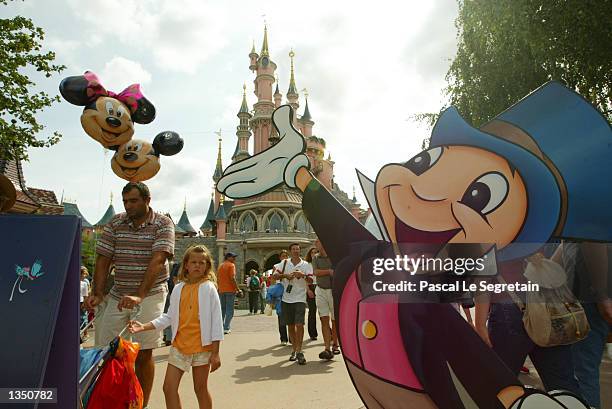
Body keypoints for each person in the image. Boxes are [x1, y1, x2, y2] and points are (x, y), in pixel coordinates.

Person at [84, 182, 175, 409]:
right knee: (107, 350)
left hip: (151, 293)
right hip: (118, 292)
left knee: (144, 351)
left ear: (147, 200)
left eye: (133, 200)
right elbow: (104, 259)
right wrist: (97, 292)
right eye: (125, 201)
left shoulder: (163, 224)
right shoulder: (116, 222)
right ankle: (111, 400)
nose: (128, 205)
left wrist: (139, 295)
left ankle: (140, 403)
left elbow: (158, 261)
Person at [129, 245, 223, 409]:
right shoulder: (179, 288)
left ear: (207, 266)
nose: (197, 266)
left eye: (202, 263)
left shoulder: (209, 288)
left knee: (200, 389)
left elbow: (216, 323)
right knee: (168, 388)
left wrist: (215, 353)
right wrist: (143, 326)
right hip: (180, 346)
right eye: (193, 262)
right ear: (186, 265)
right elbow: (169, 317)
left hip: (203, 347)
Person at [273, 243, 312, 365]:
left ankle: (300, 351)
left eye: (298, 249)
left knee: (299, 325)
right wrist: (285, 275)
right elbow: (274, 276)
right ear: (290, 251)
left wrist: (303, 275)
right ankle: (294, 350)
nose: (296, 251)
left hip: (300, 298)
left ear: (300, 251)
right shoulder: (284, 263)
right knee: (290, 325)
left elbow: (311, 280)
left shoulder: (305, 265)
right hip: (286, 298)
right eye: (294, 249)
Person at [312, 239, 339, 360]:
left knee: (334, 320)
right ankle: (327, 348)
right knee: (324, 319)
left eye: (318, 242)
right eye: (316, 242)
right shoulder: (315, 258)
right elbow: (316, 272)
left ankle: (335, 345)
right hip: (320, 290)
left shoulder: (334, 256)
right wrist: (328, 271)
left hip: (333, 291)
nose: (316, 244)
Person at [217, 252, 242, 334]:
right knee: (230, 309)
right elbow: (232, 278)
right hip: (230, 290)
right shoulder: (231, 265)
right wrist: (238, 289)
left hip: (221, 290)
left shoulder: (221, 266)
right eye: (233, 257)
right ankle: (226, 327)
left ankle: (220, 326)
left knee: (222, 309)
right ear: (228, 257)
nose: (234, 258)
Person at [273, 250, 290, 345]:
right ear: (280, 257)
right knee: (281, 316)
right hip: (280, 292)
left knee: (291, 315)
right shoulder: (276, 266)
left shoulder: (292, 265)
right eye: (283, 256)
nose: (285, 257)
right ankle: (283, 338)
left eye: (286, 256)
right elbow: (274, 279)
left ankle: (292, 337)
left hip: (290, 292)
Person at [304, 247, 319, 340]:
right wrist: (308, 290)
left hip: (320, 287)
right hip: (311, 287)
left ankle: (329, 332)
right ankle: (312, 333)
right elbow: (304, 279)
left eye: (316, 252)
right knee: (312, 311)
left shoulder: (320, 263)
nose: (314, 254)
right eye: (312, 252)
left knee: (323, 312)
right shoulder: (307, 265)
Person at [80, 266, 91, 338]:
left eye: (85, 274)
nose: (85, 276)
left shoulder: (84, 283)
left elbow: (85, 295)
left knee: (83, 318)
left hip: (82, 302)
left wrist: (85, 303)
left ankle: (86, 333)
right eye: (84, 274)